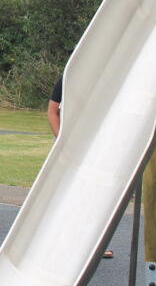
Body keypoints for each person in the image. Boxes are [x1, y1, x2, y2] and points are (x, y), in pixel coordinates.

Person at [48, 70, 114, 258]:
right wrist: (62, 139)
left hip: (95, 145)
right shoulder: (66, 79)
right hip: (69, 145)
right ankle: (63, 242)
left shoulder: (104, 80)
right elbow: (52, 111)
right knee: (66, 193)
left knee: (95, 195)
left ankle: (95, 245)